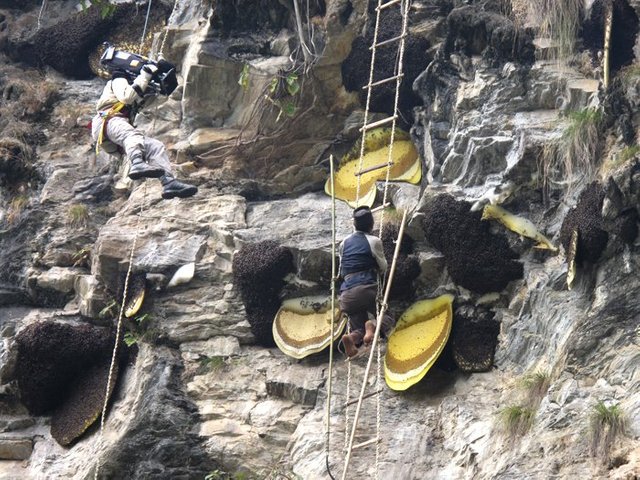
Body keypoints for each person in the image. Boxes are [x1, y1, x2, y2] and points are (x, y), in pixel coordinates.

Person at [91, 61, 197, 199]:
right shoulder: (118, 79)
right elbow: (127, 97)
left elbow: (157, 101)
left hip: (117, 125)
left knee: (155, 147)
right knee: (132, 135)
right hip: (107, 120)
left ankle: (168, 182)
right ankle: (137, 163)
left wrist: (168, 85)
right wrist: (145, 74)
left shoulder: (138, 88)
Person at [338, 206, 394, 358]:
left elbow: (342, 271)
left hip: (346, 296)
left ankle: (351, 338)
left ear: (354, 225)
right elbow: (383, 267)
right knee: (388, 317)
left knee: (358, 327)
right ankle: (373, 325)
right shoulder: (374, 241)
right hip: (366, 289)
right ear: (371, 224)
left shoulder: (343, 243)